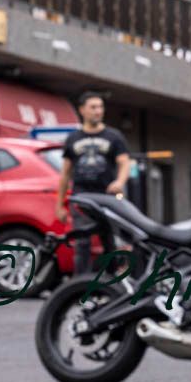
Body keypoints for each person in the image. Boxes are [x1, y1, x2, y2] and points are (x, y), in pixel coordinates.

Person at [55, 92, 132, 274]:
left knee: (109, 240)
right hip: (81, 198)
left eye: (100, 107)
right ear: (82, 110)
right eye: (93, 107)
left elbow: (124, 163)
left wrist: (120, 182)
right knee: (82, 242)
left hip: (107, 197)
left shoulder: (114, 137)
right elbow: (65, 173)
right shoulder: (73, 139)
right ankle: (80, 287)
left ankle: (111, 285)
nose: (98, 111)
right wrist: (59, 205)